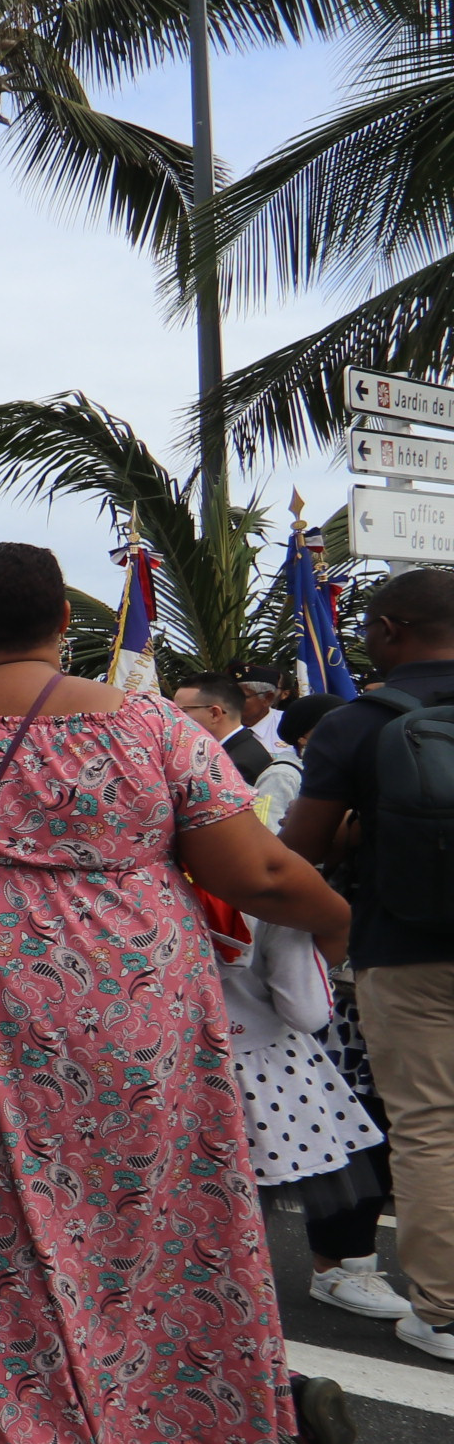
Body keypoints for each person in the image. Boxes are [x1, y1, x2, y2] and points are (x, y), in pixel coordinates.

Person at [0, 542, 356, 1444]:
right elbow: (254, 871)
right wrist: (337, 920)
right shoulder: (151, 726)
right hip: (140, 992)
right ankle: (165, 1433)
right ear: (64, 626)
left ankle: (47, 1438)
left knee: (3, 1207)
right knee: (151, 1204)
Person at [284, 567, 454, 1361]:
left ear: (390, 630)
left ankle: (442, 1312)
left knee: (430, 1124)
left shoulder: (358, 722)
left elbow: (301, 851)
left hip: (406, 951)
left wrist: (359, 832)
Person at [176, 671, 302, 825]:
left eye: (182, 711)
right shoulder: (230, 752)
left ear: (215, 713)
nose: (174, 719)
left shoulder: (238, 764)